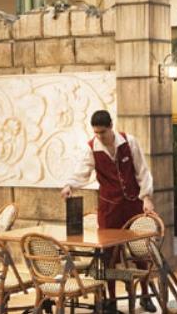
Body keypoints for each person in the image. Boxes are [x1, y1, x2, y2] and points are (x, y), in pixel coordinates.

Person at [61, 110, 156, 313]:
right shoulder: (91, 148)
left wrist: (147, 197)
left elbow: (142, 171)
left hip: (132, 204)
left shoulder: (129, 142)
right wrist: (70, 185)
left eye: (103, 132)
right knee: (108, 255)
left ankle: (145, 295)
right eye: (96, 132)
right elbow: (82, 172)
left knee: (140, 251)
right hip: (109, 208)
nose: (100, 136)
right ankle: (111, 299)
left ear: (111, 126)